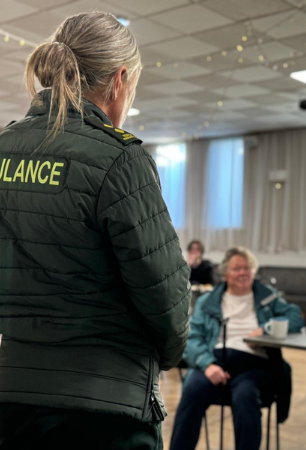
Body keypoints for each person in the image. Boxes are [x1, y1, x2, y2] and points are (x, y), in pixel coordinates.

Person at [0, 11, 190, 449]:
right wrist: (169, 351)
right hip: (105, 406)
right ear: (120, 79)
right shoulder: (120, 160)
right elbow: (167, 299)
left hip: (13, 399)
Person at [171, 247, 303, 450]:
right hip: (213, 361)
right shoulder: (207, 301)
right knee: (192, 391)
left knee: (245, 397)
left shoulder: (268, 297)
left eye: (247, 268)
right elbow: (192, 337)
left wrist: (266, 331)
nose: (243, 273)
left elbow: (295, 317)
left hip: (253, 365)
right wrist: (207, 365)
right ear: (225, 274)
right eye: (236, 269)